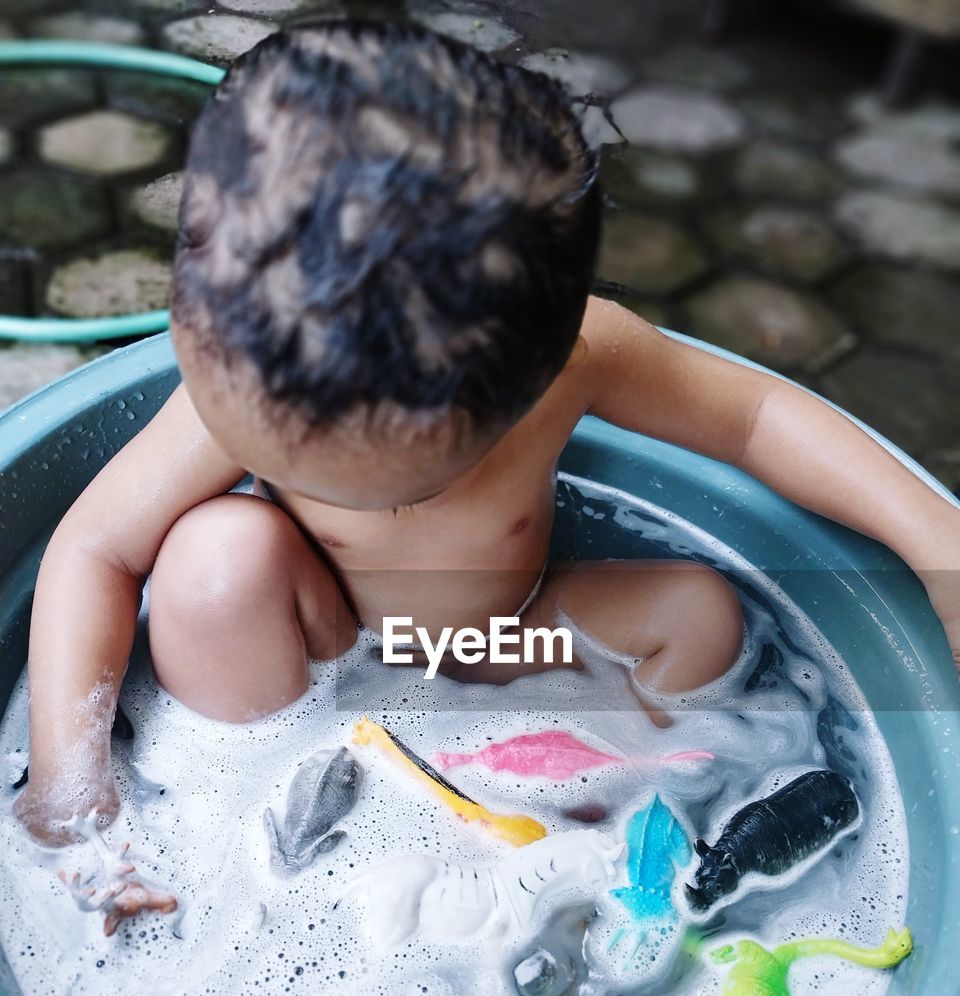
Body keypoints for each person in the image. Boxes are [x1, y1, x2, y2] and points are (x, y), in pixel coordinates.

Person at [15, 20, 960, 846]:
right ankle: (251, 800)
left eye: (408, 489)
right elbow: (93, 550)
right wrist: (67, 784)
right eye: (283, 465)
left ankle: (607, 803)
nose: (372, 508)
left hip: (512, 641)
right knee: (215, 561)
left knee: (700, 614)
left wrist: (935, 544)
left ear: (532, 382)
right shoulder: (248, 361)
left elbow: (753, 416)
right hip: (315, 640)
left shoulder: (582, 355)